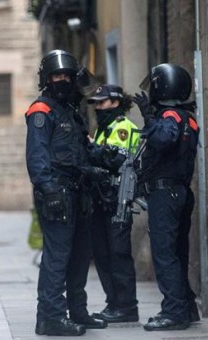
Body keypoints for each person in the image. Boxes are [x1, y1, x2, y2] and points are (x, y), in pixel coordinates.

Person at [25, 49, 107, 337]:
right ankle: (51, 317)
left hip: (79, 192)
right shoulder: (42, 110)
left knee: (80, 256)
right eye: (56, 75)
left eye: (66, 76)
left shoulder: (71, 111)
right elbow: (37, 156)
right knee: (57, 257)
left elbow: (80, 150)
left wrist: (99, 163)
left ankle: (78, 311)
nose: (62, 80)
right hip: (57, 191)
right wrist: (48, 190)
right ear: (47, 79)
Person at [135, 64, 200, 331]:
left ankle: (173, 312)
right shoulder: (187, 116)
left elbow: (164, 139)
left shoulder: (171, 115)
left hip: (166, 193)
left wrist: (150, 119)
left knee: (164, 254)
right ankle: (186, 307)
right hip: (180, 191)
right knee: (177, 252)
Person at [85, 84, 141, 323]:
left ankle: (127, 306)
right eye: (96, 103)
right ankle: (113, 303)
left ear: (116, 103)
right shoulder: (102, 129)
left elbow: (116, 160)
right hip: (101, 199)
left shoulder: (124, 128)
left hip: (118, 200)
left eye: (102, 102)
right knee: (102, 254)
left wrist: (93, 148)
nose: (98, 107)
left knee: (118, 254)